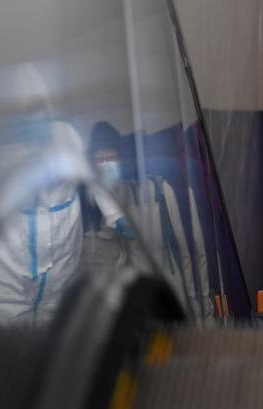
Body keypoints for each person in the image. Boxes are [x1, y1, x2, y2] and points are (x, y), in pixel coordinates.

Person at [0, 63, 86, 324]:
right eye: (23, 108)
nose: (35, 116)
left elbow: (94, 171)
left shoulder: (68, 136)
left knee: (56, 316)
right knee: (1, 320)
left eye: (39, 105)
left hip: (62, 245)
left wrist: (115, 213)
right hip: (4, 249)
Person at [86, 121, 214, 321]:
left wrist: (203, 309)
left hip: (176, 297)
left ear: (122, 158)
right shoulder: (100, 206)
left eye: (110, 156)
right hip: (139, 305)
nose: (105, 163)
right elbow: (106, 265)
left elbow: (193, 254)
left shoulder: (160, 192)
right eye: (99, 158)